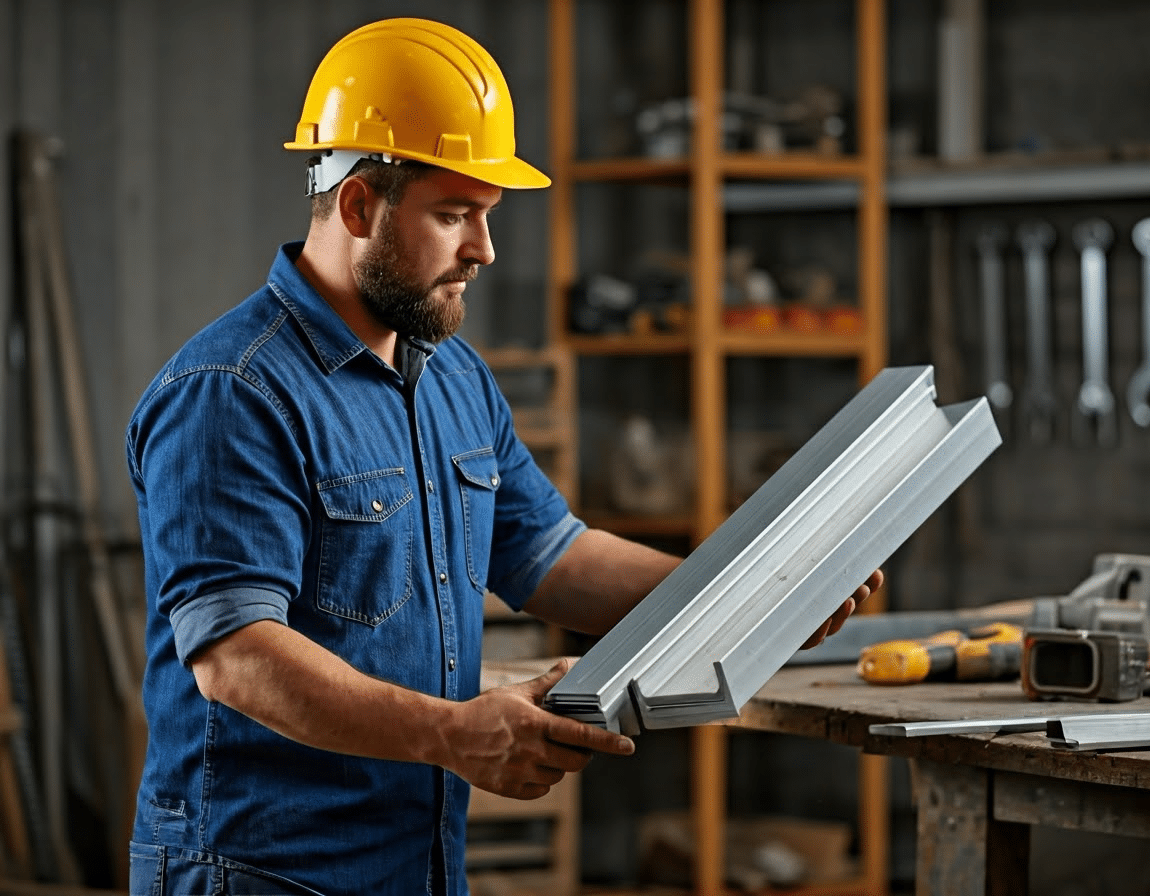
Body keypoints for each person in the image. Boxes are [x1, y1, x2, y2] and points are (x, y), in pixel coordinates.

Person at [125, 17, 883, 896]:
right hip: (261, 873)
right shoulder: (232, 392)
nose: (483, 250)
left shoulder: (452, 378)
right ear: (360, 204)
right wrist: (452, 732)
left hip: (418, 862)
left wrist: (749, 593)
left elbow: (550, 556)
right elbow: (236, 655)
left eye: (486, 216)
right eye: (454, 215)